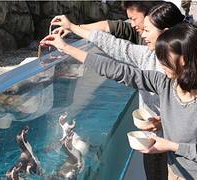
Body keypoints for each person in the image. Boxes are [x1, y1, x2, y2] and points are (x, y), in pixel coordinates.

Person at [41, 22, 197, 180]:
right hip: (175, 172)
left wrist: (171, 146)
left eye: (164, 56)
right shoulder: (164, 83)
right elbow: (118, 70)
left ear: (183, 59)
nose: (160, 61)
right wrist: (66, 48)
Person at [55, 1, 162, 45]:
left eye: (134, 19)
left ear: (151, 15)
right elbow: (107, 25)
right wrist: (73, 27)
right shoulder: (136, 31)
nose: (132, 24)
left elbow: (115, 49)